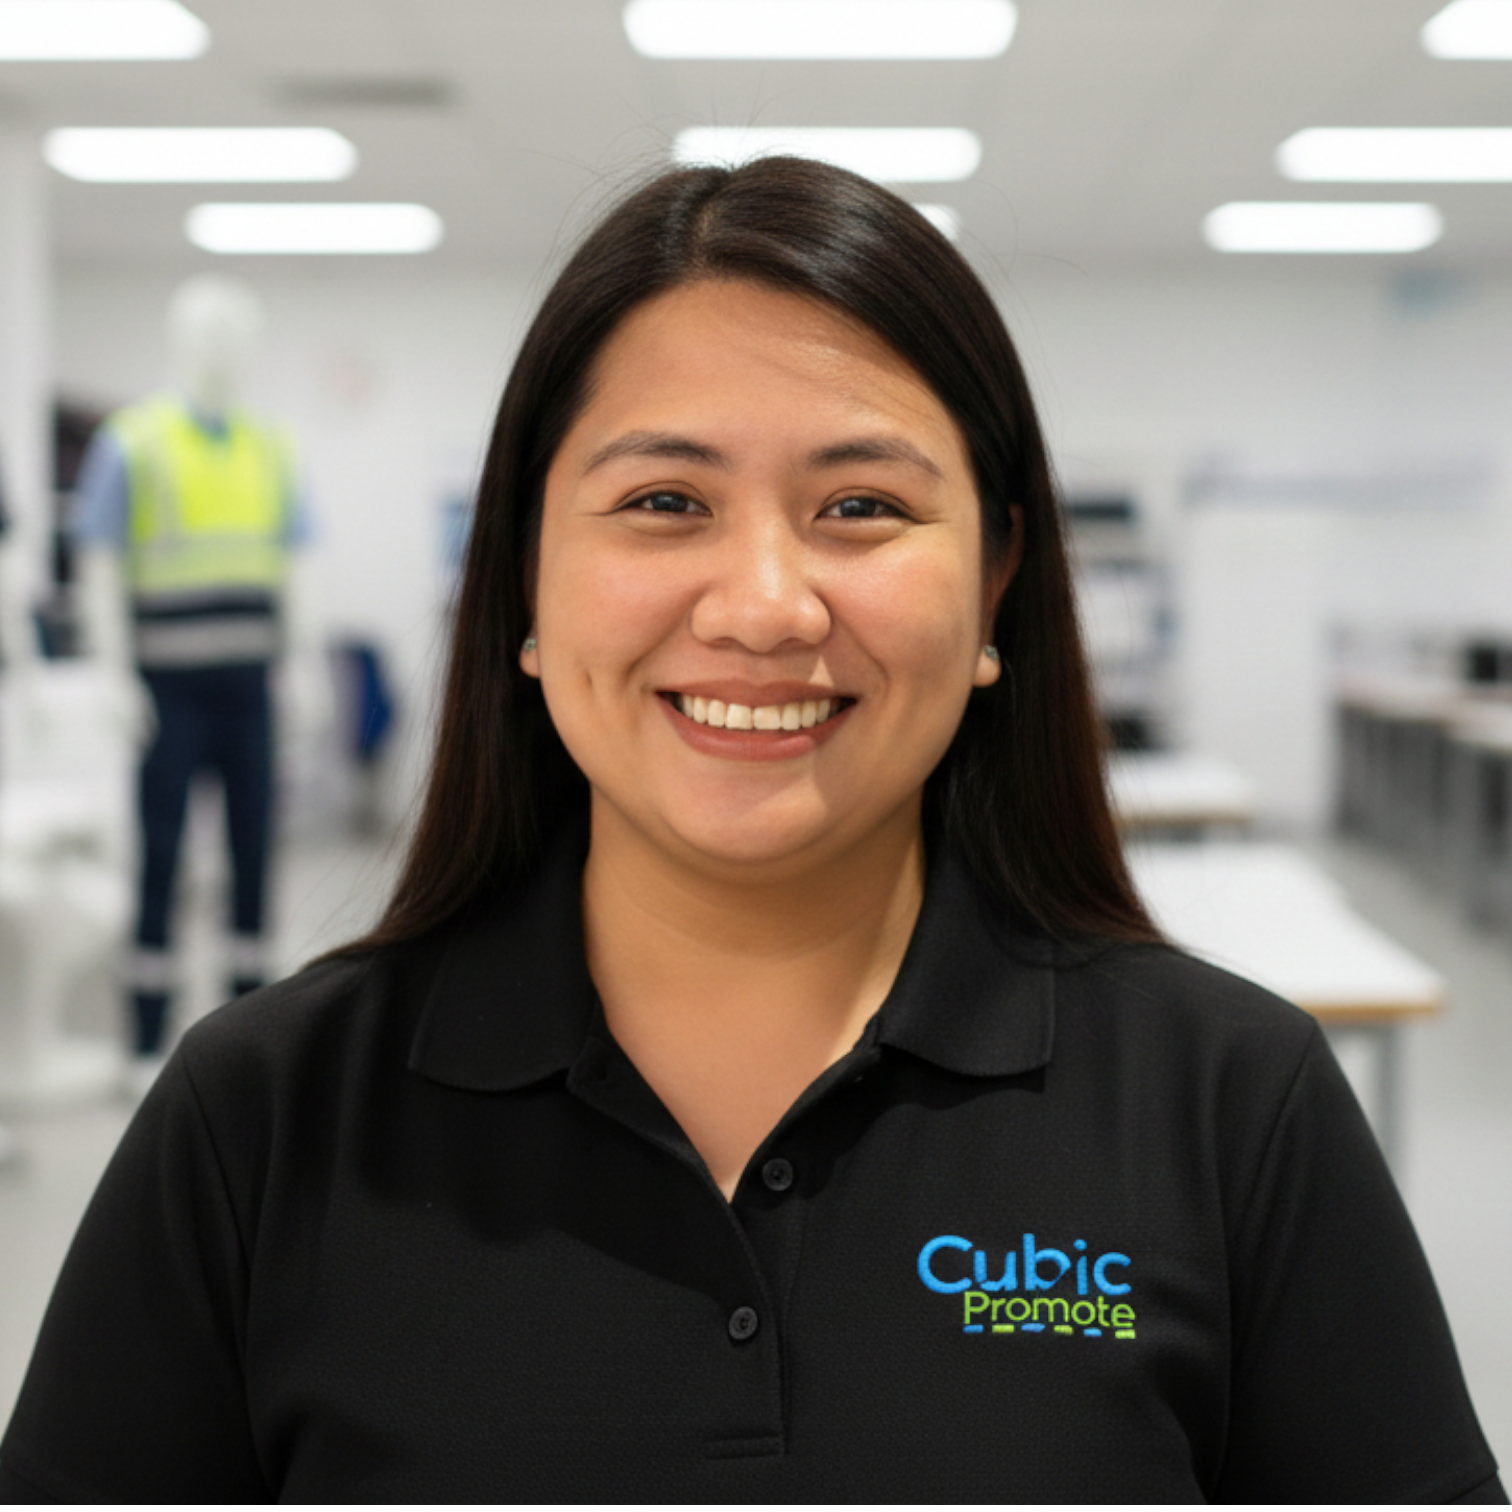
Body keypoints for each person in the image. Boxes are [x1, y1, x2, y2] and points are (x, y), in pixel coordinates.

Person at [0, 158, 1502, 1504]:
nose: (767, 606)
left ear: (993, 596)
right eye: (663, 499)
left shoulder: (1230, 1105)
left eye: (860, 506)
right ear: (525, 589)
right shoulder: (258, 1121)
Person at [70, 275, 320, 1096]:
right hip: (165, 689)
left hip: (248, 684)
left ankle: (250, 1035)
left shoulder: (270, 445)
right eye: (207, 337)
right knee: (162, 855)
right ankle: (145, 1040)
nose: (221, 353)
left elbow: (294, 565)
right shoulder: (134, 443)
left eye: (235, 337)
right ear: (179, 344)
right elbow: (98, 564)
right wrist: (113, 675)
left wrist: (301, 665)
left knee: (256, 856)